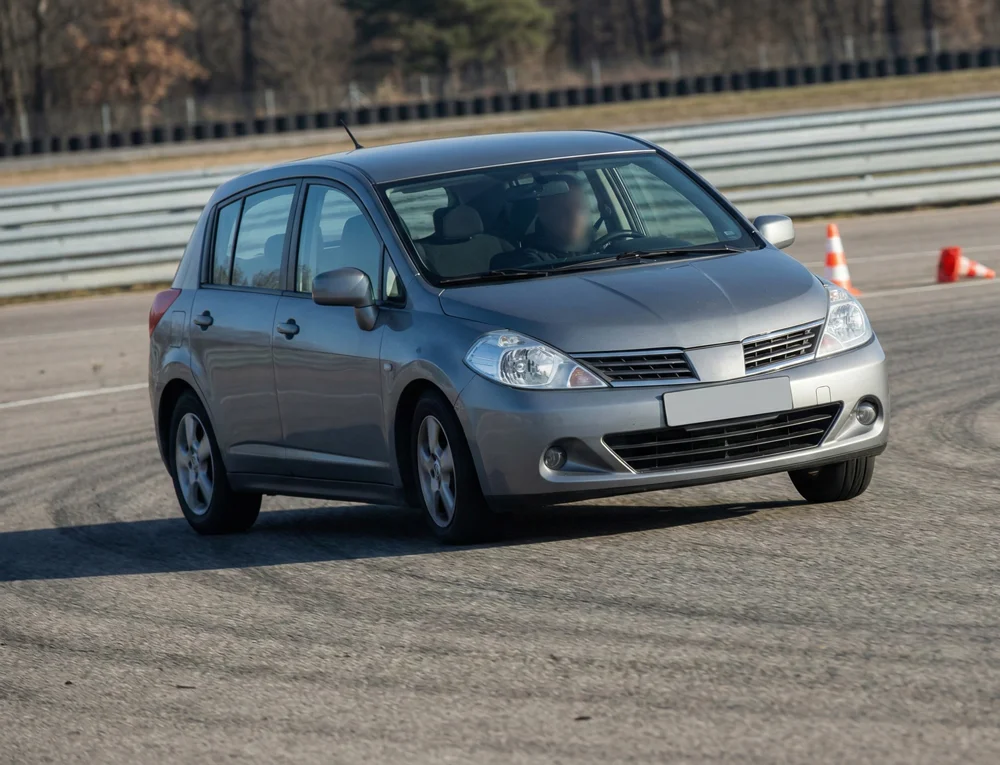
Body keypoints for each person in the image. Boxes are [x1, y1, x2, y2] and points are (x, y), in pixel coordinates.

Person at [523, 175, 591, 257]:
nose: (574, 216)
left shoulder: (599, 248)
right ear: (544, 213)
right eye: (565, 209)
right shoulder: (532, 262)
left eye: (580, 207)